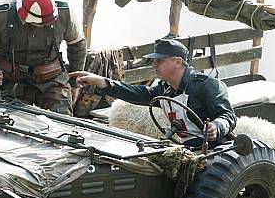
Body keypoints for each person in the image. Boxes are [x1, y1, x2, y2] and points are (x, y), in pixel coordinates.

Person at [70, 38, 236, 146]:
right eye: (154, 61)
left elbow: (228, 116)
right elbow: (135, 92)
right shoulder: (164, 89)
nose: (154, 64)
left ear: (177, 62)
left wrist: (216, 126)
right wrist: (102, 81)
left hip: (216, 151)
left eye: (160, 60)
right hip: (187, 147)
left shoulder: (207, 85)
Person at [0, 0, 87, 115]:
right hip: (12, 80)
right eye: (41, 24)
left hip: (51, 79)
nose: (45, 26)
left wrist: (74, 83)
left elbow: (77, 45)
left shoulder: (64, 12)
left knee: (62, 123)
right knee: (12, 125)